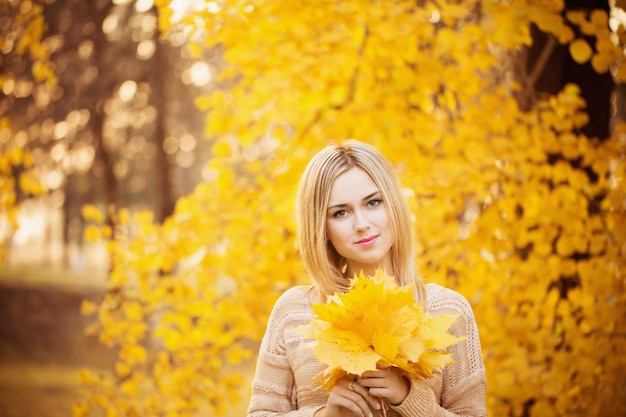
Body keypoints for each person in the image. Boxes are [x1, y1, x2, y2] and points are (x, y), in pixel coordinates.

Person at [247, 140, 487, 417]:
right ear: (321, 227)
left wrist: (408, 398)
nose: (361, 224)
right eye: (340, 212)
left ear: (393, 205)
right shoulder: (293, 313)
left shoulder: (448, 311)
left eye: (373, 202)